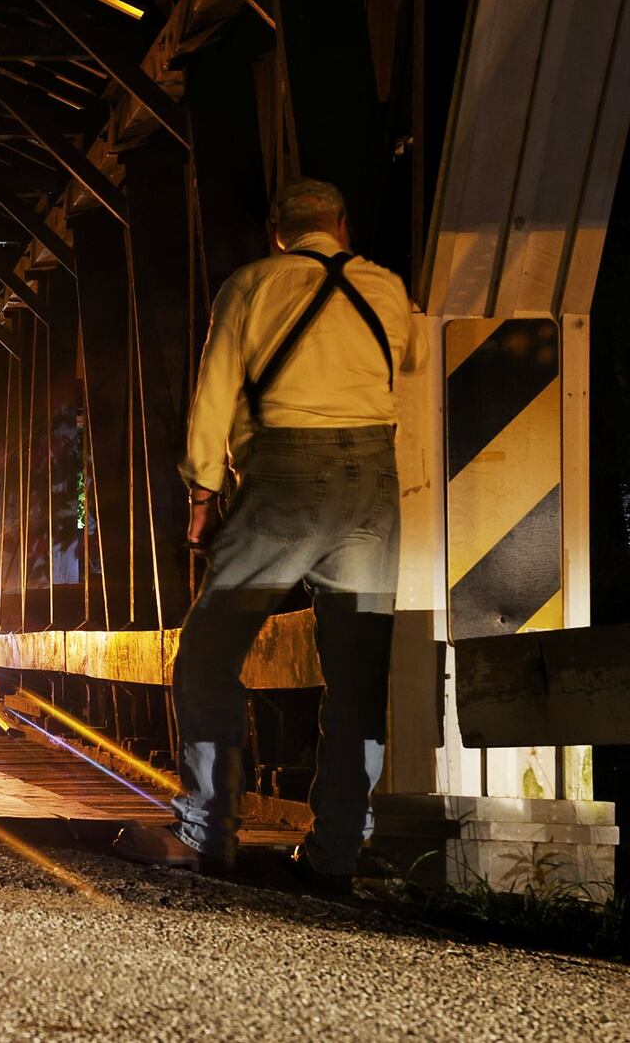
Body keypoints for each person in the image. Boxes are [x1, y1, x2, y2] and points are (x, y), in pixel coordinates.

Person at [112, 179, 423, 893]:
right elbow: (408, 374)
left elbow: (214, 391)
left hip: (283, 479)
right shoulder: (384, 289)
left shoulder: (251, 286)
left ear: (276, 233)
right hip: (373, 484)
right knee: (357, 677)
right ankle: (337, 852)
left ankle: (208, 832)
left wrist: (203, 491)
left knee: (209, 652)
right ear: (341, 226)